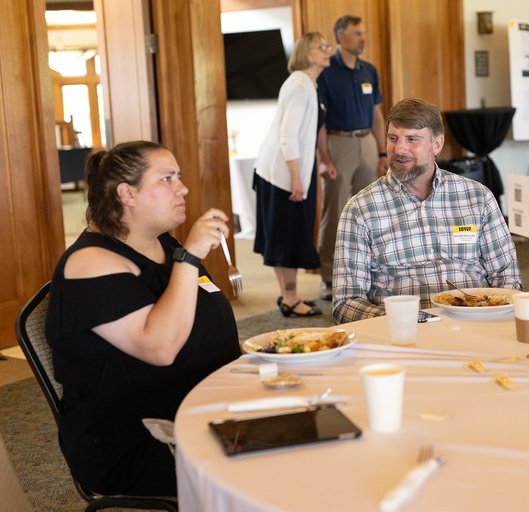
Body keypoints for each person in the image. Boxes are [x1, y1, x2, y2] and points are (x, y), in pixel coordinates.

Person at [45, 141, 241, 496]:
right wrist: (191, 257)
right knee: (278, 464)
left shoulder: (162, 243)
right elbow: (161, 348)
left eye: (178, 177)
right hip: (136, 440)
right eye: (166, 179)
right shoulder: (90, 264)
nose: (182, 188)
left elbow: (206, 324)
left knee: (319, 426)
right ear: (127, 194)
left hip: (203, 406)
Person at [332, 98, 523, 324]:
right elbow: (345, 303)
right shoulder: (360, 209)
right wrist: (399, 318)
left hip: (475, 321)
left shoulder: (477, 197)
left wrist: (491, 311)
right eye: (393, 138)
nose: (399, 148)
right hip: (402, 333)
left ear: (437, 145)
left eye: (412, 139)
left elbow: (508, 277)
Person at [253, 32, 333, 317]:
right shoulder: (299, 83)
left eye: (328, 46)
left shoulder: (309, 83)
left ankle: (289, 295)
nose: (328, 50)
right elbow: (288, 135)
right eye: (320, 47)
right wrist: (297, 179)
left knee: (289, 236)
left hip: (290, 171)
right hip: (282, 175)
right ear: (304, 52)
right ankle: (290, 299)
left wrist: (321, 163)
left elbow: (308, 131)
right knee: (285, 237)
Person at [315, 14, 389, 301]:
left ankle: (367, 276)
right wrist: (324, 158)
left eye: (363, 33)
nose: (363, 38)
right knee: (334, 213)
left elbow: (378, 116)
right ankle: (329, 279)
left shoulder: (368, 70)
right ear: (341, 38)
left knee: (369, 213)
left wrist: (383, 152)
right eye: (358, 33)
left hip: (367, 143)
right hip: (337, 143)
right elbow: (319, 122)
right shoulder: (325, 72)